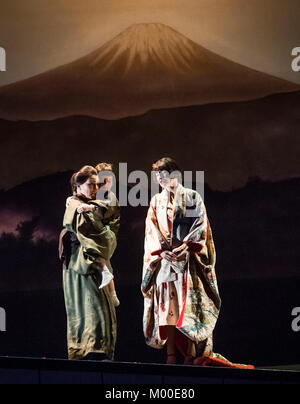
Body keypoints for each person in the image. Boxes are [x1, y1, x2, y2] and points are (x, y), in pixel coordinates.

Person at [60, 165, 117, 361]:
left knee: (99, 305)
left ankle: (97, 348)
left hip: (89, 259)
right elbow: (90, 231)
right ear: (78, 186)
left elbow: (106, 225)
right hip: (79, 261)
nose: (94, 189)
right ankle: (88, 349)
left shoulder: (93, 203)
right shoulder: (75, 205)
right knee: (87, 305)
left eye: (96, 185)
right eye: (90, 185)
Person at [66, 163, 121, 307]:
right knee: (103, 261)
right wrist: (71, 198)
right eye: (102, 181)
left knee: (99, 256)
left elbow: (102, 209)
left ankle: (112, 292)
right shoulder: (95, 194)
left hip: (108, 234)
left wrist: (89, 207)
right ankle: (113, 294)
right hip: (101, 235)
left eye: (110, 181)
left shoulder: (110, 197)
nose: (106, 184)